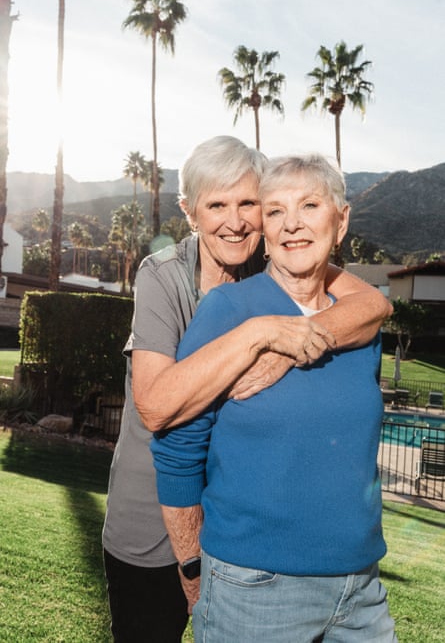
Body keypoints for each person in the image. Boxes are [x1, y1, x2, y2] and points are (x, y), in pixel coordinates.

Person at [102, 137, 392, 643]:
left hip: (232, 517)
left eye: (249, 205)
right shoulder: (165, 275)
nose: (235, 222)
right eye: (216, 205)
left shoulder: (279, 261)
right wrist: (262, 334)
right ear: (189, 212)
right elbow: (157, 409)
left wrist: (287, 348)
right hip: (152, 509)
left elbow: (371, 304)